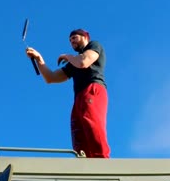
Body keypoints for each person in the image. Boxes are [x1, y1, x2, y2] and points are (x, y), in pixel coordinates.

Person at [25, 29, 110, 158]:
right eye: (70, 40)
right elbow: (51, 78)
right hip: (79, 97)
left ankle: (102, 160)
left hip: (93, 89)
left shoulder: (94, 45)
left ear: (85, 37)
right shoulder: (74, 61)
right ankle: (85, 164)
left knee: (92, 124)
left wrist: (67, 56)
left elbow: (83, 62)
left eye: (74, 38)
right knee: (78, 132)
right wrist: (39, 58)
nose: (72, 42)